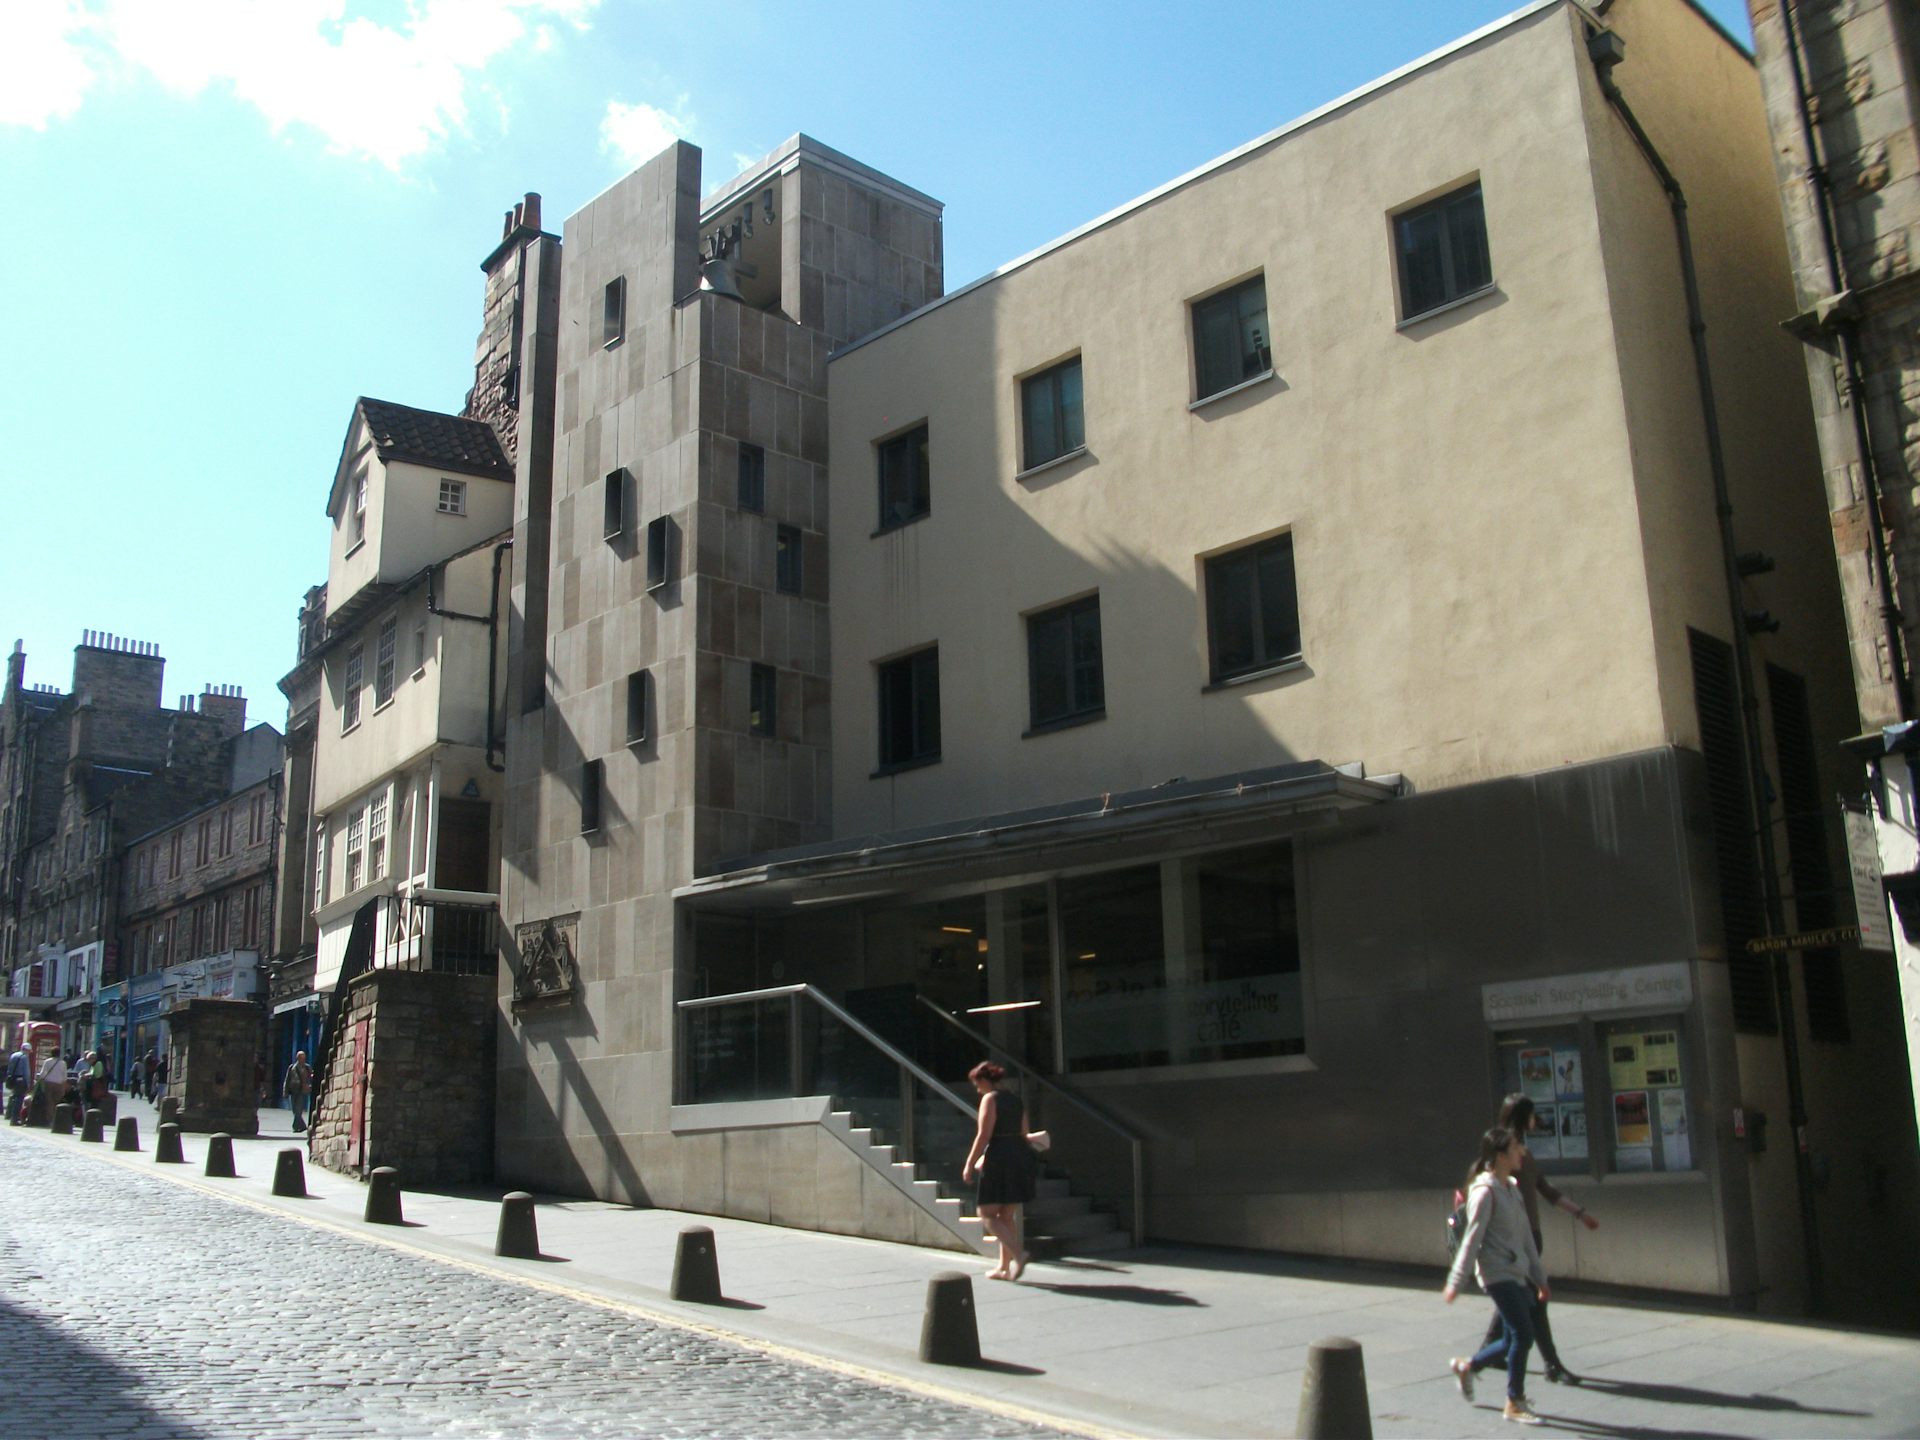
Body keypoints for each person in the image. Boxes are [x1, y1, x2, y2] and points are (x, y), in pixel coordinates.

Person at [1473, 1093, 1599, 1385]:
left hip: (1529, 1239)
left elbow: (1544, 1188)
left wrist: (1580, 1214)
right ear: (1523, 1117)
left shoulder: (1522, 1154)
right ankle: (1551, 1365)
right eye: (1532, 1115)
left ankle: (1485, 1355)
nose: (1535, 1121)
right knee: (1535, 1304)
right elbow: (1477, 1189)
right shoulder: (1502, 1154)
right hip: (1513, 1244)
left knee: (1519, 1300)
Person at [1444, 1126, 1549, 1426]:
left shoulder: (1511, 1189)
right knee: (1523, 1334)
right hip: (1496, 1273)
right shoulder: (1485, 1192)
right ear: (1501, 1156)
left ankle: (1468, 1366)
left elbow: (1527, 1239)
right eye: (1516, 1147)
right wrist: (1456, 1282)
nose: (1522, 1152)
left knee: (1511, 1338)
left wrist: (1540, 1279)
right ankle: (1514, 1401)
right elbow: (1472, 1240)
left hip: (1516, 1271)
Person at [959, 1060, 1036, 1281]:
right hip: (1019, 1155)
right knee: (1007, 1215)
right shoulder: (1015, 1100)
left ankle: (1018, 1254)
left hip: (999, 1156)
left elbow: (983, 1135)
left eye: (977, 1083)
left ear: (984, 1080)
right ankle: (1003, 1267)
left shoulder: (989, 1099)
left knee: (986, 1213)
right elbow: (1024, 1132)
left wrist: (969, 1163)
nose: (977, 1088)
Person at [285, 1051, 312, 1132]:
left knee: (298, 1109)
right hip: (293, 1090)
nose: (302, 1060)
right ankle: (303, 1126)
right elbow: (287, 1080)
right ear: (297, 1058)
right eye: (301, 1058)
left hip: (302, 1091)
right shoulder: (292, 1067)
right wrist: (285, 1091)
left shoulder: (307, 1067)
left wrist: (310, 1085)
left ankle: (295, 1127)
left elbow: (311, 1078)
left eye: (304, 1058)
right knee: (294, 1109)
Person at [5, 1043, 30, 1124]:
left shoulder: (13, 1055)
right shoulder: (24, 1057)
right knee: (19, 1099)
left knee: (13, 1097)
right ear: (27, 1050)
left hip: (12, 1079)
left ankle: (8, 1115)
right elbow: (26, 1072)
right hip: (21, 1080)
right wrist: (28, 1083)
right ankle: (14, 1119)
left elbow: (9, 1068)